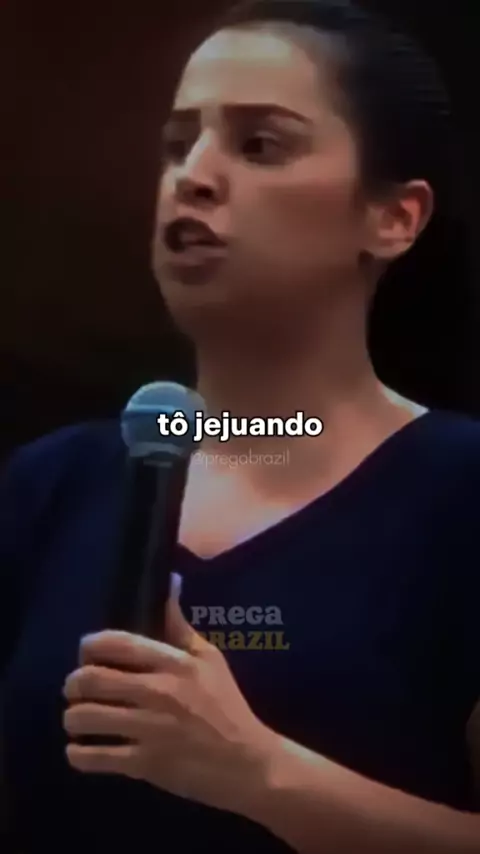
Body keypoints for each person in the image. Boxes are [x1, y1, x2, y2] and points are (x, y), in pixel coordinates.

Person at [1, 1, 480, 851]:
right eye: (178, 144)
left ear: (394, 218)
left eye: (260, 145)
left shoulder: (460, 492)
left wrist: (258, 774)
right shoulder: (48, 485)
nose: (193, 176)